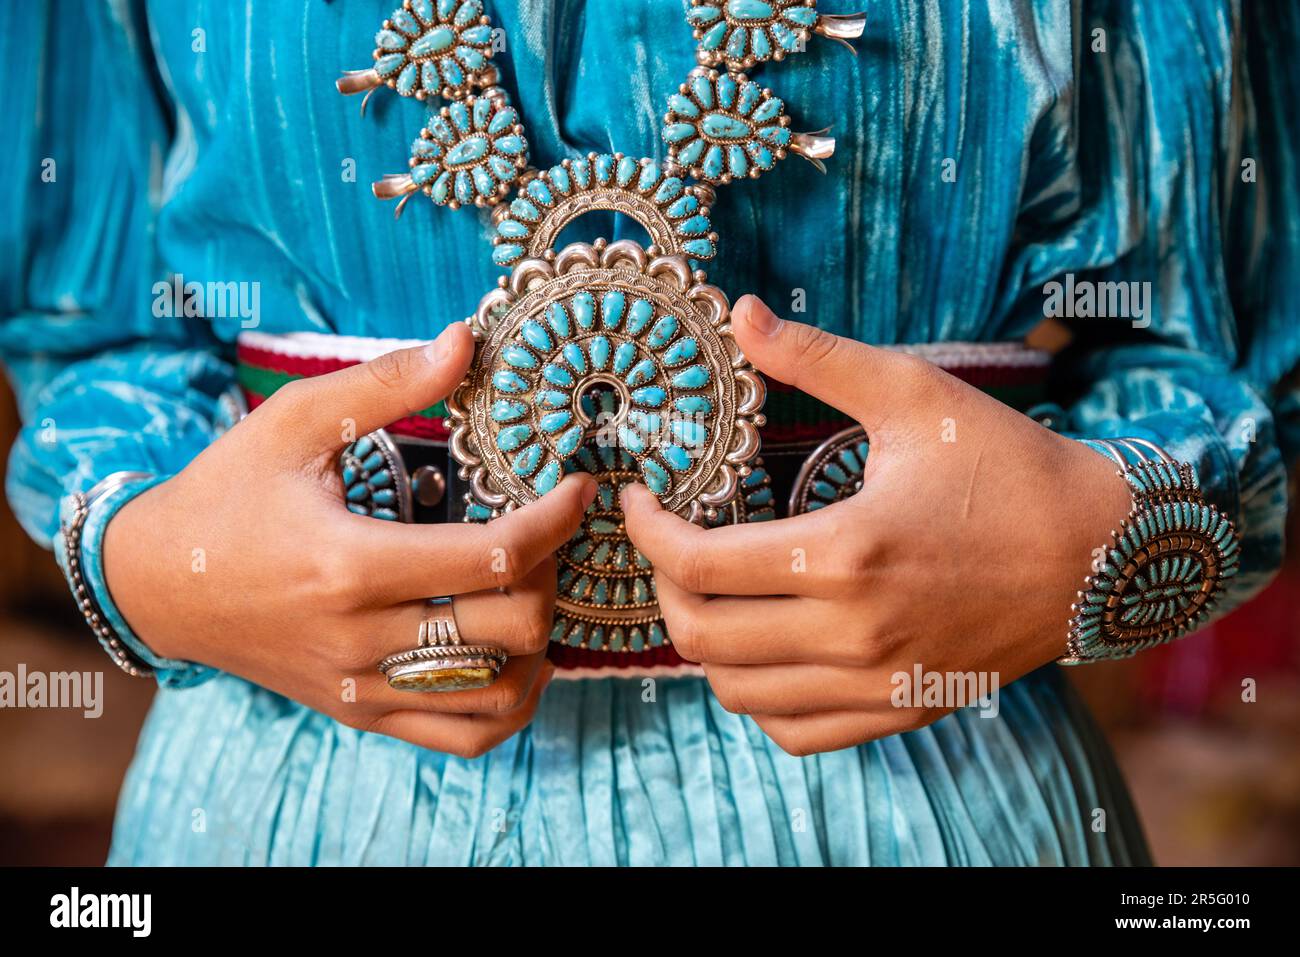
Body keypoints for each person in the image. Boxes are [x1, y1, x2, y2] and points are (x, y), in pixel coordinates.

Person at [2, 0, 1295, 865]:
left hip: (920, 768)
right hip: (296, 776)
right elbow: (94, 323)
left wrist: (1101, 536)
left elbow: (1217, 338)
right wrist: (156, 562)